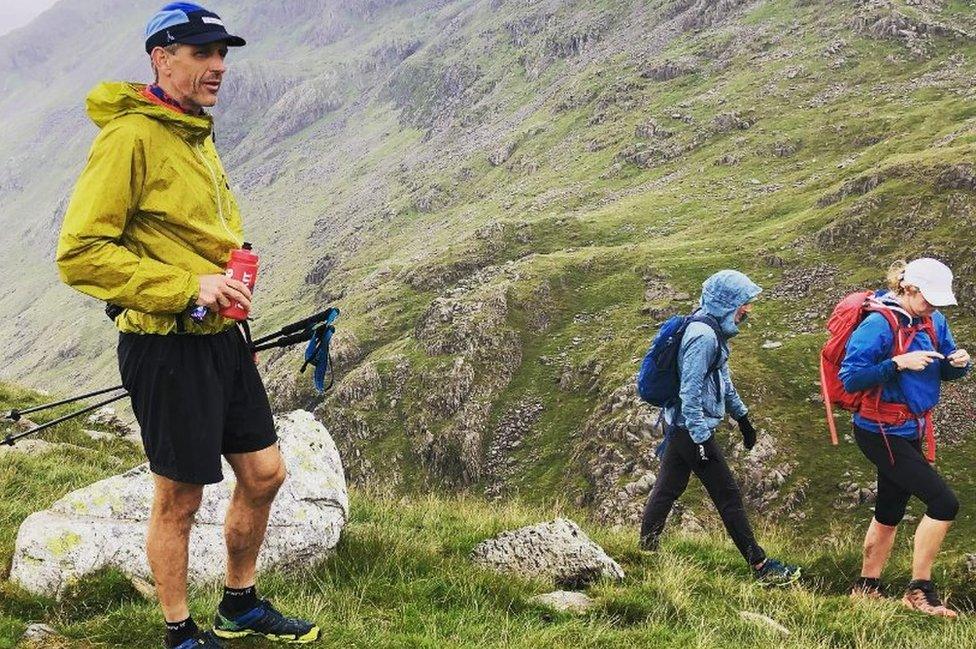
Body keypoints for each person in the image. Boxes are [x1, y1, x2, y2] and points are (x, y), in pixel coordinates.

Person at [56, 3, 319, 647]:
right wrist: (187, 286)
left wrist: (225, 288)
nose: (218, 67)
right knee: (180, 497)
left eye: (222, 54)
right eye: (202, 54)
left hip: (219, 338)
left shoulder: (191, 132)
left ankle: (240, 604)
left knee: (264, 474)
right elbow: (81, 253)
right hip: (163, 345)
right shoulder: (128, 137)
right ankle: (179, 632)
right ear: (161, 57)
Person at [640, 270, 800, 585]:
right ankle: (761, 566)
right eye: (744, 303)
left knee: (668, 488)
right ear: (727, 302)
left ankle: (645, 551)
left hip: (681, 427)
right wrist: (700, 437)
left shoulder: (712, 328)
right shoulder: (703, 337)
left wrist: (743, 418)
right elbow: (690, 391)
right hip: (689, 428)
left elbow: (722, 382)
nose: (748, 310)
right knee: (727, 494)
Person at [840, 258, 970, 617]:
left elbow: (943, 369)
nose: (934, 307)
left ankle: (866, 587)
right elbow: (851, 378)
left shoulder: (933, 320)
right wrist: (898, 363)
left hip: (910, 428)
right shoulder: (879, 324)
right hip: (878, 430)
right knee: (945, 503)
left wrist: (957, 364)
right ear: (908, 289)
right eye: (928, 298)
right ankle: (919, 590)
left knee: (890, 509)